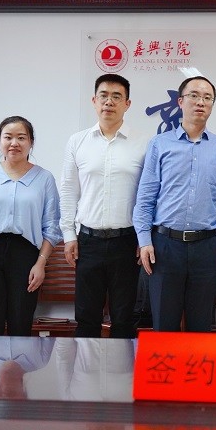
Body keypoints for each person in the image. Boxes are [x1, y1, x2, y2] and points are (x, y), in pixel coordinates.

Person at [133, 76, 216, 332]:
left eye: (207, 98)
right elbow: (145, 197)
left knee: (201, 327)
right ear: (180, 101)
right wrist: (144, 241)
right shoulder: (159, 144)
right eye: (194, 96)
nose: (201, 102)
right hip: (165, 246)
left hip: (206, 247)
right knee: (164, 326)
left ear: (212, 105)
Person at [60, 74, 147, 338]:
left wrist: (144, 238)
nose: (109, 102)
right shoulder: (77, 141)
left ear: (127, 104)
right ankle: (85, 368)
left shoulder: (144, 143)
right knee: (86, 319)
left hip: (127, 242)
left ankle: (122, 367)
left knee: (124, 319)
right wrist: (69, 235)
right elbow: (69, 191)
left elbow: (148, 195)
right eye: (104, 96)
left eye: (117, 97)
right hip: (88, 242)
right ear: (94, 101)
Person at [0, 116, 62, 336]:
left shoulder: (44, 178)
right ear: (0, 141)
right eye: (8, 137)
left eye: (21, 138)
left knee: (21, 323)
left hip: (25, 257)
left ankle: (20, 361)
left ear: (31, 142)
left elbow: (52, 227)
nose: (14, 143)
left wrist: (40, 264)